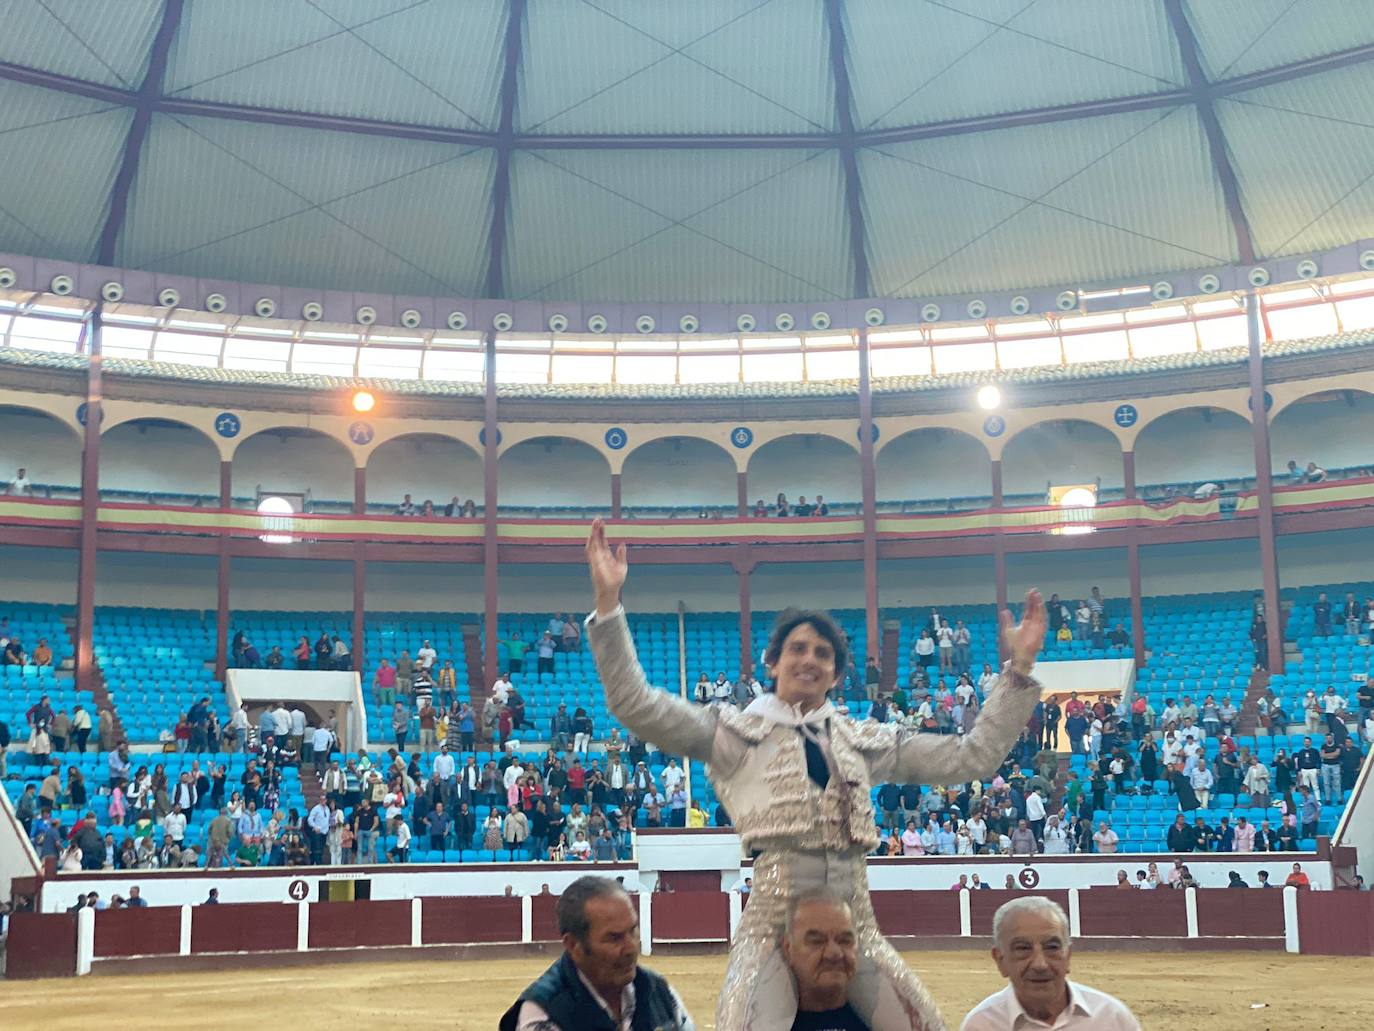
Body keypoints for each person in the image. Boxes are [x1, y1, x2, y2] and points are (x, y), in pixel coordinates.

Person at [583, 518, 1047, 1031]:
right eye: (797, 649)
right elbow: (636, 704)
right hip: (771, 926)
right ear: (772, 662)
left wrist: (1019, 670)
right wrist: (608, 607)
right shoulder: (734, 734)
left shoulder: (862, 741)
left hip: (857, 925)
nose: (809, 660)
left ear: (837, 674)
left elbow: (972, 758)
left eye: (822, 654)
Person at [500, 875, 693, 1031]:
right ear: (574, 945)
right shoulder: (544, 1014)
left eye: (632, 930)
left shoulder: (657, 990)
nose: (631, 948)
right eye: (614, 938)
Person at [960, 897, 1141, 1030]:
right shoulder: (981, 1025)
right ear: (1000, 960)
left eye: (1052, 947)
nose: (1040, 964)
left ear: (1068, 956)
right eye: (1023, 948)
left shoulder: (1113, 1019)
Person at [781, 890, 875, 1030]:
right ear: (788, 949)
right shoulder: (759, 1024)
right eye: (817, 941)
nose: (834, 953)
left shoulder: (885, 1023)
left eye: (844, 941)